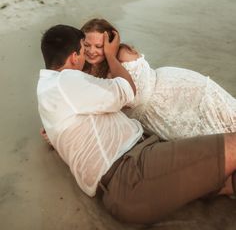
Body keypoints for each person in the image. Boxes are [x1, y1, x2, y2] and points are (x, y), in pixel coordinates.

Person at [37, 23, 236, 225]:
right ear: (73, 57)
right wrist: (112, 56)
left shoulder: (47, 93)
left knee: (225, 180)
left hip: (127, 186)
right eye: (83, 48)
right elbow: (126, 90)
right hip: (133, 171)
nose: (88, 53)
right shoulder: (67, 80)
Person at [81, 18, 236, 140]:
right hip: (156, 117)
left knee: (228, 121)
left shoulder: (122, 54)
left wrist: (110, 55)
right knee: (214, 142)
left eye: (99, 46)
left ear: (110, 44)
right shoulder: (87, 68)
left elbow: (134, 98)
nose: (91, 51)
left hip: (178, 93)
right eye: (87, 45)